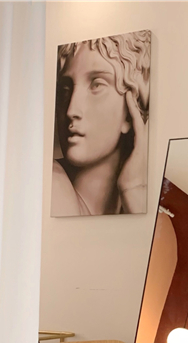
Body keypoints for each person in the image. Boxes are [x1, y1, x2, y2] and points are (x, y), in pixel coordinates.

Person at [51, 31, 151, 216]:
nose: (71, 110)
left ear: (131, 112)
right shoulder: (53, 182)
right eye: (65, 89)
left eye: (96, 85)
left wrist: (133, 190)